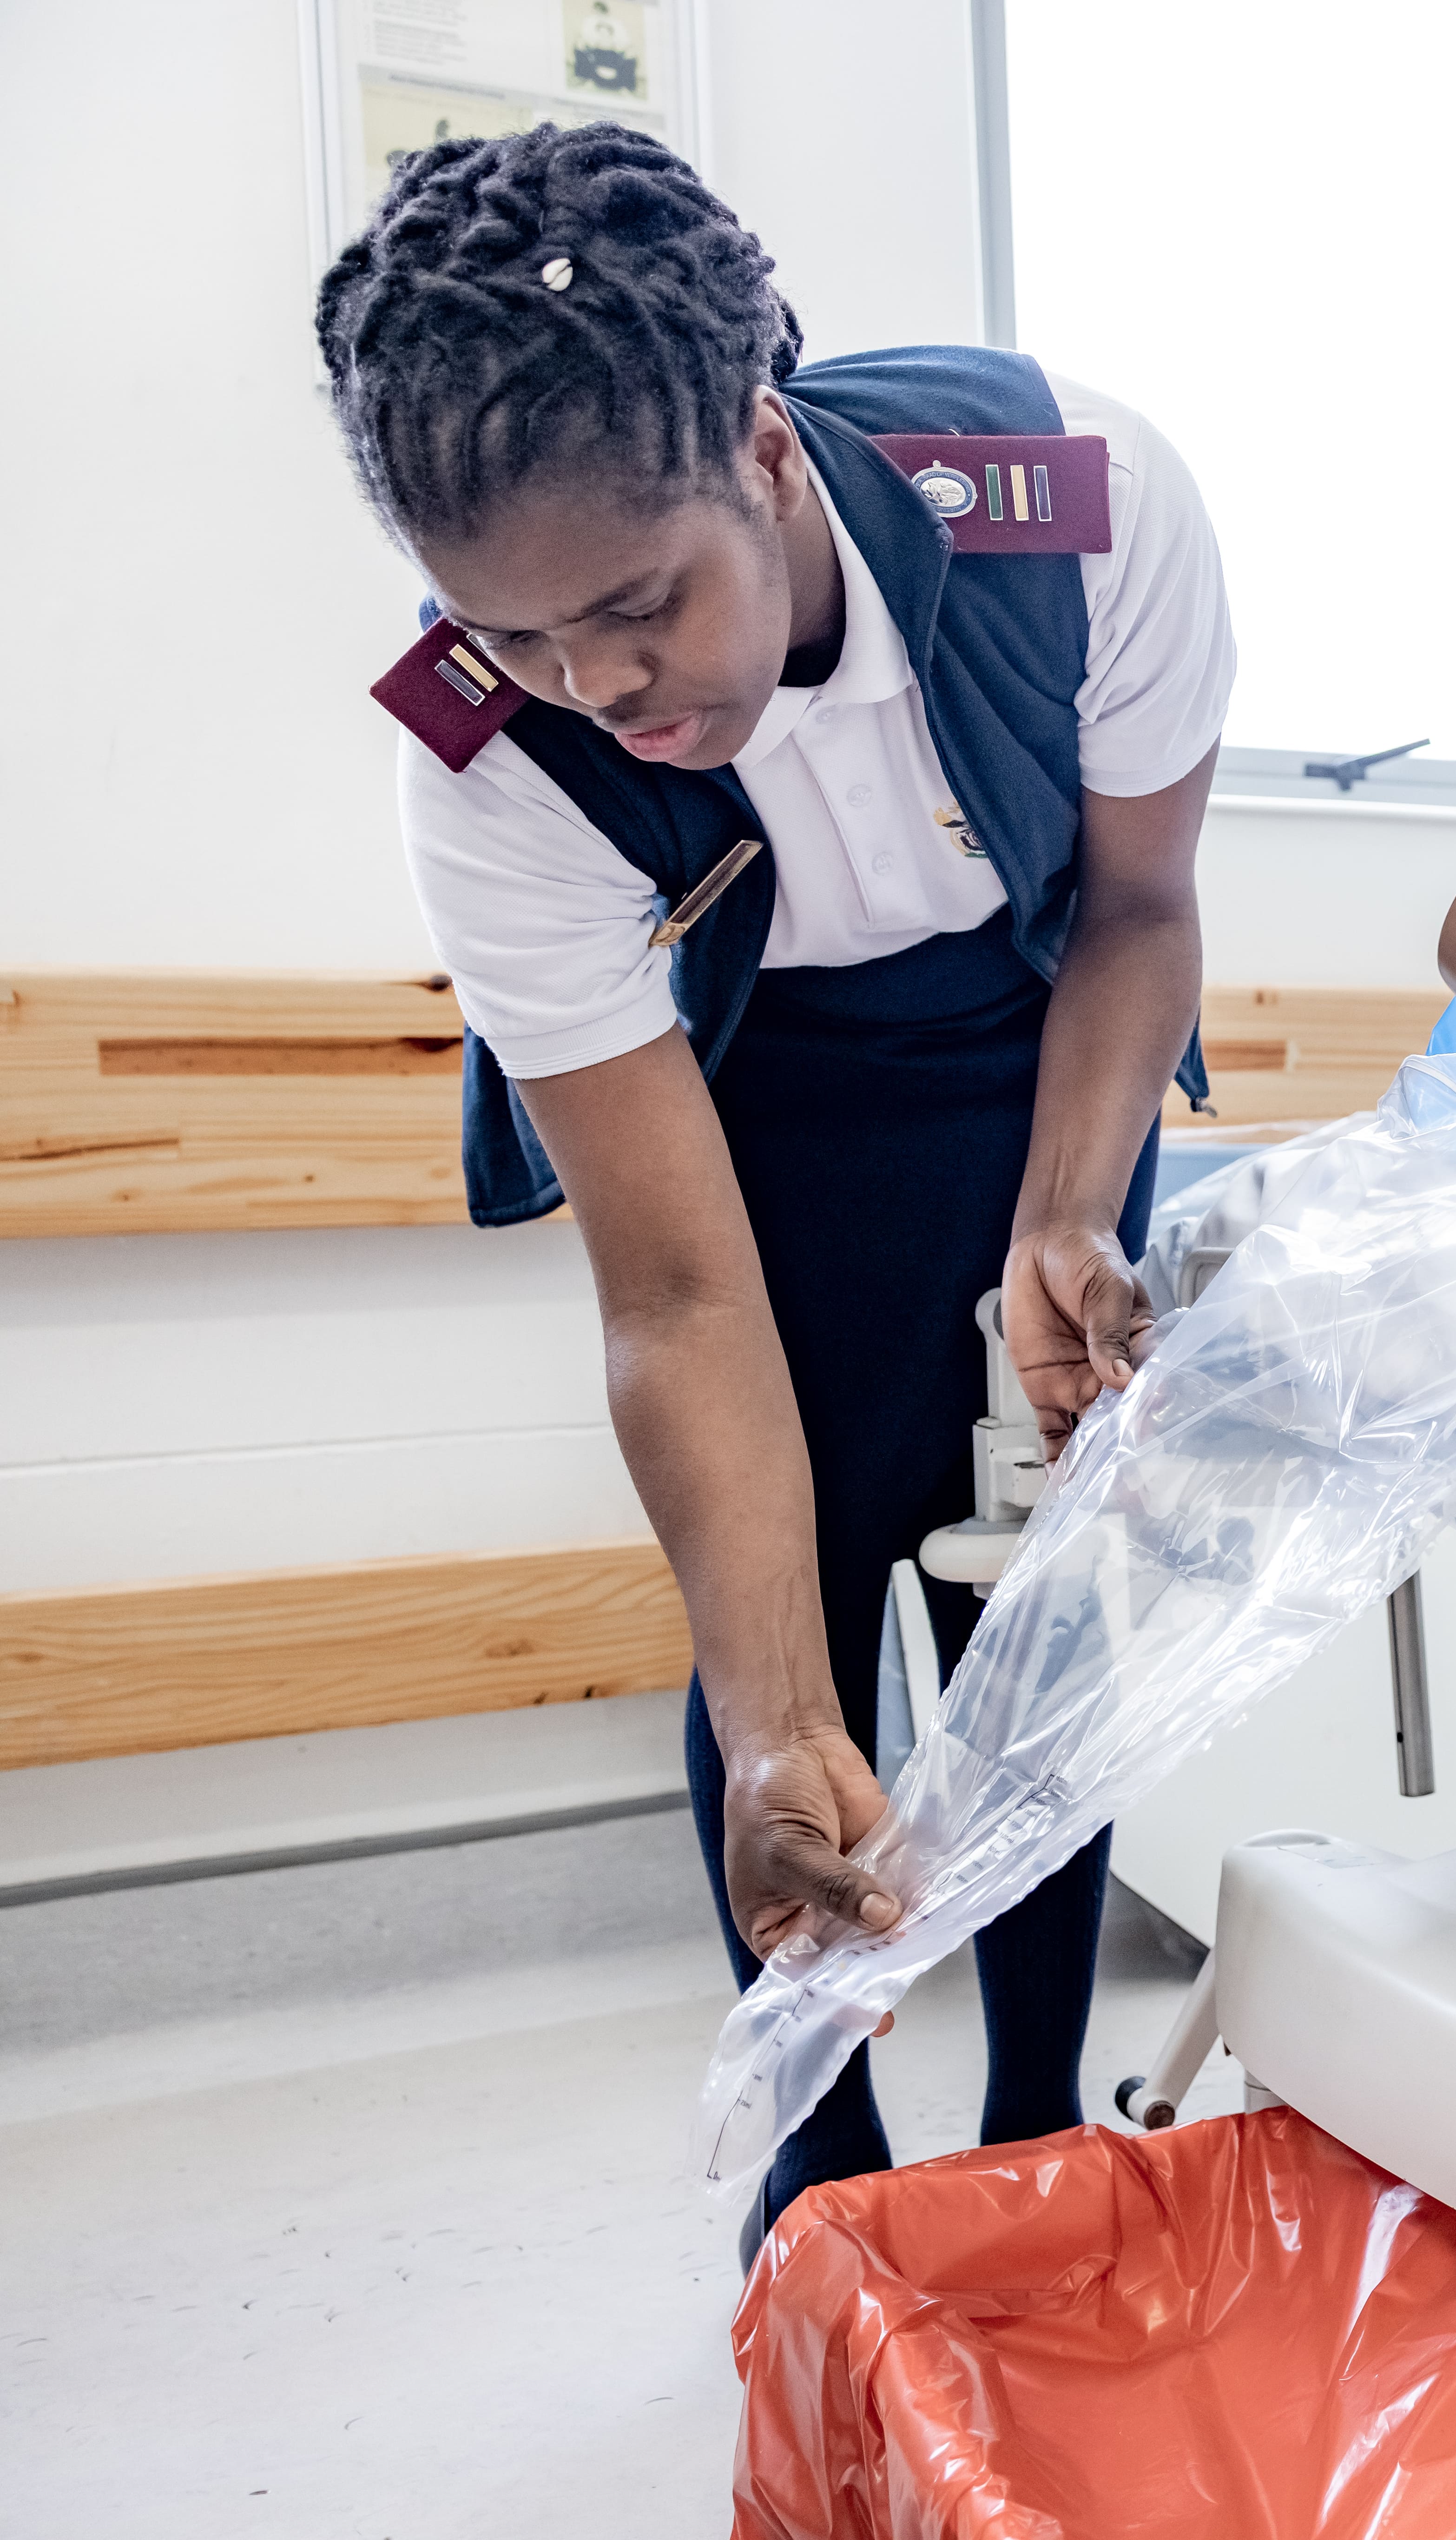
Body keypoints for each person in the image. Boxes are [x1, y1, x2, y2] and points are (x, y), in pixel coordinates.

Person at [315, 124, 1232, 2248]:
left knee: (1036, 1596)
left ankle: (1035, 2124)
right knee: (786, 1621)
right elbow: (672, 1304)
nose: (599, 691)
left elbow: (1138, 908)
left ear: (761, 442)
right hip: (751, 1099)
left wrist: (1067, 1220)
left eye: (640, 605)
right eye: (519, 637)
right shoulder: (481, 760)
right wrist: (772, 1732)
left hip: (1042, 1034)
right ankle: (820, 2186)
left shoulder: (1073, 508)